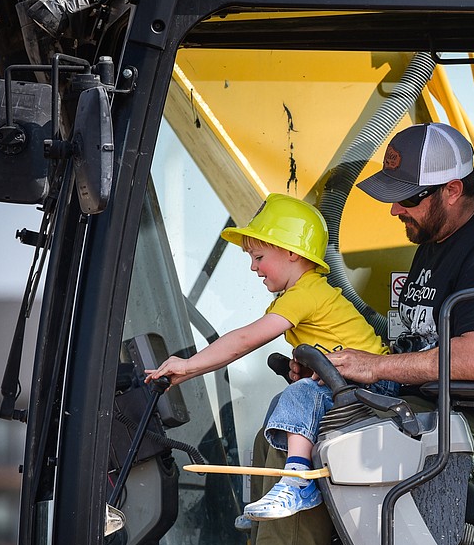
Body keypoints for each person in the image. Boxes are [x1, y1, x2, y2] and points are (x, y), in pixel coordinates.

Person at [191, 123, 474, 545]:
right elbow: (414, 346)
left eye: (408, 198)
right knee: (290, 429)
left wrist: (374, 368)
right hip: (434, 416)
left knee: (309, 444)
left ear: (452, 190)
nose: (396, 211)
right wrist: (337, 362)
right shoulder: (434, 246)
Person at [146, 193, 395, 525]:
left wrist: (188, 366)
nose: (253, 267)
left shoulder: (306, 293)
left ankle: (298, 484)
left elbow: (243, 341)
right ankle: (282, 484)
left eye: (259, 256)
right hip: (356, 387)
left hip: (376, 388)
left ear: (292, 253)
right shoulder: (304, 293)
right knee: (285, 397)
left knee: (299, 393)